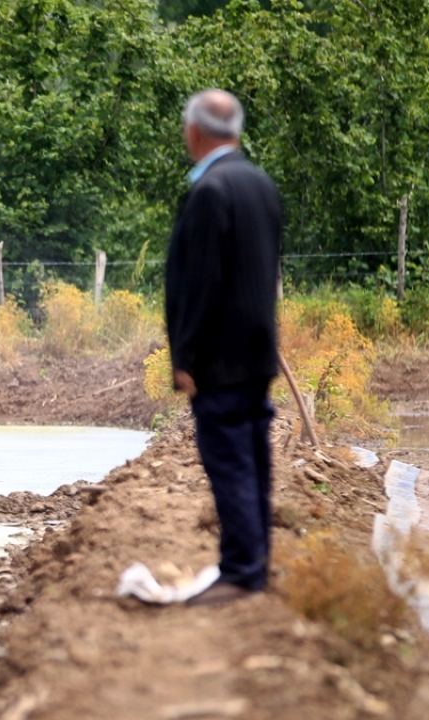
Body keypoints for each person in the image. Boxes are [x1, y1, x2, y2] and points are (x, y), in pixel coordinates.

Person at [165, 89, 282, 607]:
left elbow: (201, 284)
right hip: (257, 351)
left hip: (221, 357)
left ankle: (240, 572)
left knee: (231, 462)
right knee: (254, 459)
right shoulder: (260, 184)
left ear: (194, 131)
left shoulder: (210, 191)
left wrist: (185, 357)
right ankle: (256, 567)